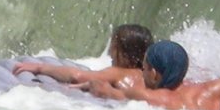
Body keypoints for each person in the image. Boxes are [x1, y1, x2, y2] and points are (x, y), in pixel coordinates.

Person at [80, 40, 220, 110]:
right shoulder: (213, 91)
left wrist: (92, 86)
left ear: (153, 72)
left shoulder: (150, 97)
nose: (142, 73)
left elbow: (107, 92)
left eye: (144, 68)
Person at [11, 23, 153, 89]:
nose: (109, 53)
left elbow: (77, 76)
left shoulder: (119, 73)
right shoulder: (151, 78)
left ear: (126, 54)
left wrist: (39, 68)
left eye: (114, 47)